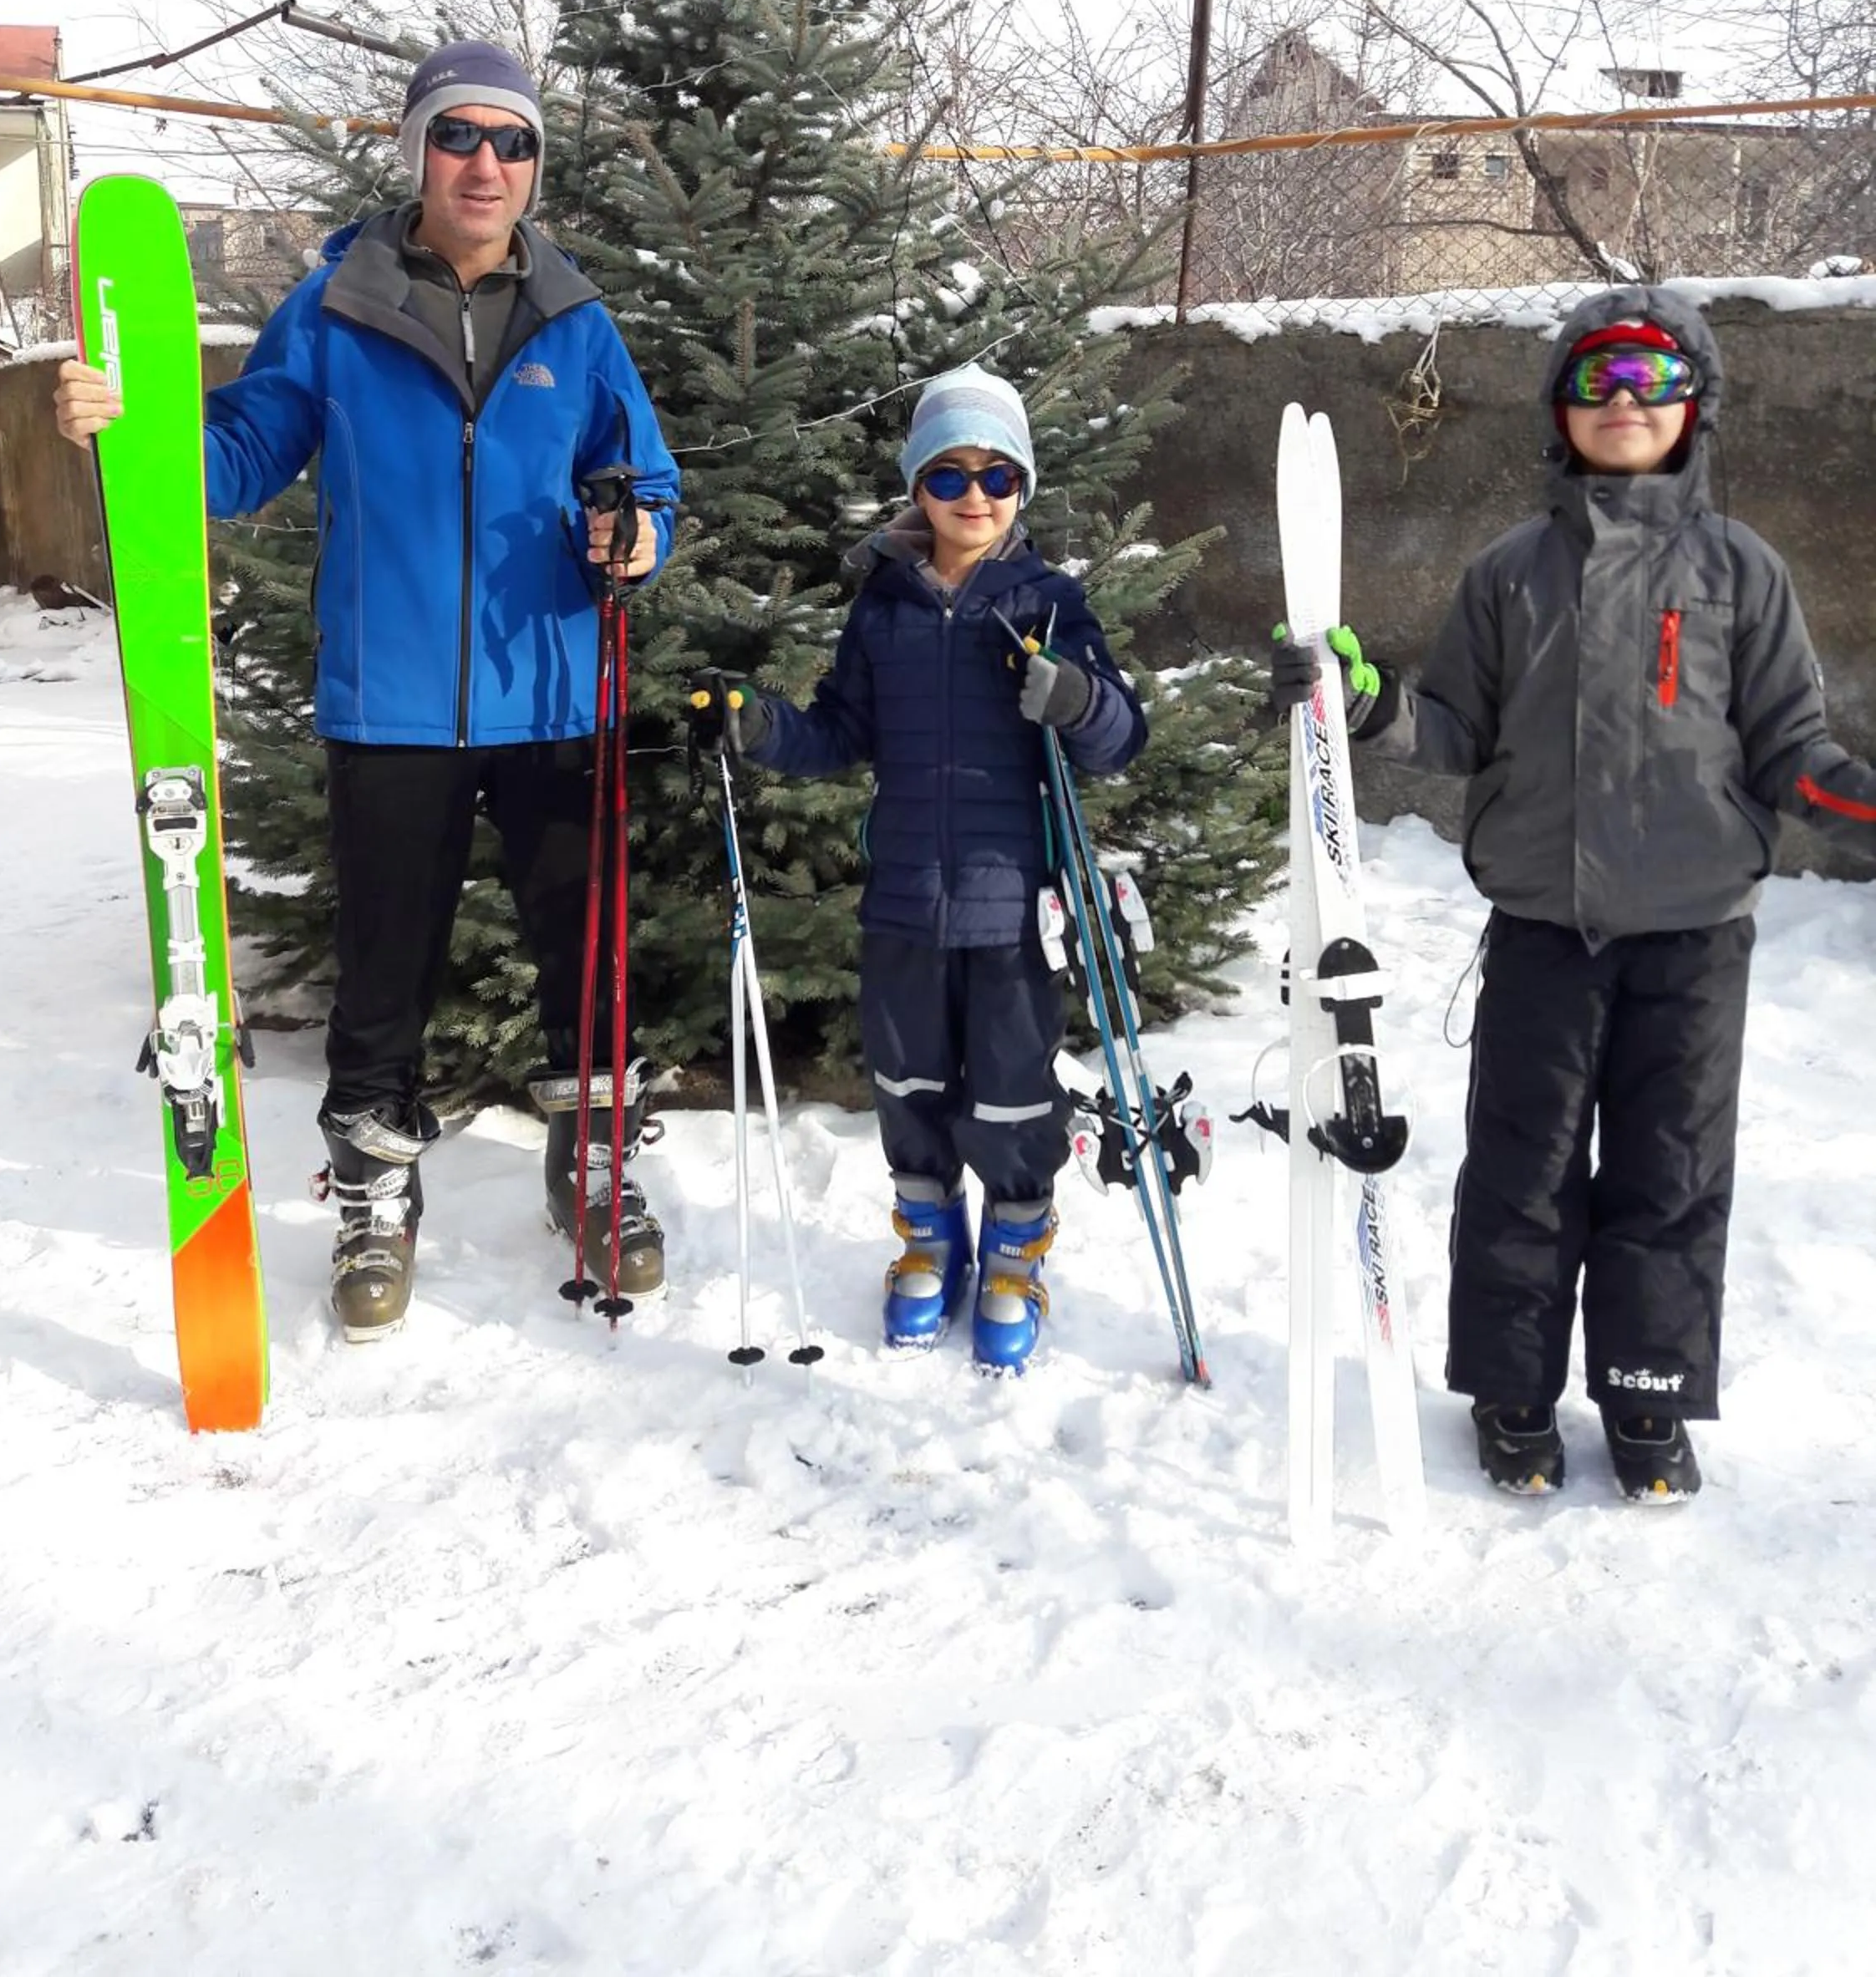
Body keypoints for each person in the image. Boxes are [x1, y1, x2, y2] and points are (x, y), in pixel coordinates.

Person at [56, 40, 681, 1343]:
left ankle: (596, 1163)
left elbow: (644, 478)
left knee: (584, 947)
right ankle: (372, 1190)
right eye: (461, 136)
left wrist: (640, 536)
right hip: (389, 702)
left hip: (556, 693)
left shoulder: (576, 318)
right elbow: (237, 457)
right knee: (385, 969)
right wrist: (128, 422)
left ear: (534, 168)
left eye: (513, 143)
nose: (486, 164)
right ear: (417, 151)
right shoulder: (341, 303)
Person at [1275, 288, 1876, 1502]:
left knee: (1669, 1169)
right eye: (1596, 381)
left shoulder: (1738, 570)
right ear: (1559, 405)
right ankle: (1511, 1390)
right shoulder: (1509, 572)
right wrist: (1368, 703)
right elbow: (1450, 726)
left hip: (1695, 936)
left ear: (1691, 406)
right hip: (1546, 925)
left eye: (1648, 382)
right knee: (1523, 1163)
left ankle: (1647, 1397)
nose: (1621, 404)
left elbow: (1790, 746)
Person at [690, 367, 1147, 1373]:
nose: (973, 496)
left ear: (1022, 487)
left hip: (1014, 907)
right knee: (909, 1078)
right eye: (948, 476)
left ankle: (1017, 1251)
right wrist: (762, 727)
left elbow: (1118, 740)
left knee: (1015, 1092)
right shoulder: (884, 608)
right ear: (916, 490)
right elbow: (842, 733)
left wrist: (1074, 699)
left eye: (996, 475)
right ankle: (929, 1242)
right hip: (902, 899)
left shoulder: (1047, 601)